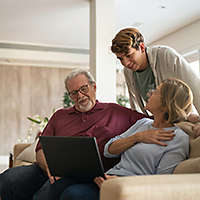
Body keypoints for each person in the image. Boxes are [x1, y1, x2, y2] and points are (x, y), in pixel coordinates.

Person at [1, 69, 163, 200]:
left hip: (90, 176)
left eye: (83, 89)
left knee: (50, 192)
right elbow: (40, 149)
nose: (80, 96)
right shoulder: (60, 115)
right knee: (8, 179)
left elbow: (155, 119)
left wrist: (187, 118)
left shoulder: (116, 111)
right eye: (73, 93)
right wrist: (49, 168)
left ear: (94, 87)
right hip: (51, 170)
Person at [94, 78, 192, 192]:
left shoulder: (178, 138)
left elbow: (162, 180)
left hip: (130, 188)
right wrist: (138, 137)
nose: (149, 94)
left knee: (75, 194)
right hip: (109, 178)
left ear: (166, 104)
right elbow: (108, 150)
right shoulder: (143, 123)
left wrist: (119, 183)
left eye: (156, 92)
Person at [111, 27, 200, 115]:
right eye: (120, 59)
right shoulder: (128, 72)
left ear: (141, 47)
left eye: (129, 55)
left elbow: (196, 88)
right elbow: (135, 104)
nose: (125, 63)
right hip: (159, 121)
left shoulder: (166, 56)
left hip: (183, 119)